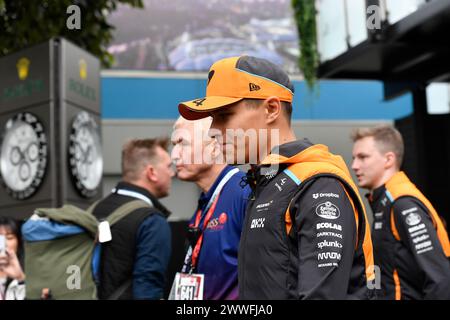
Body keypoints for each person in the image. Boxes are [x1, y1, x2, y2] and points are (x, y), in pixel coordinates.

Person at [178, 55, 375, 299]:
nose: (212, 130)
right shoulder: (264, 182)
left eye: (224, 116)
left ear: (271, 109)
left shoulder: (317, 185)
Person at [351, 125, 450, 300]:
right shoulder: (384, 201)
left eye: (363, 157)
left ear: (389, 159)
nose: (354, 166)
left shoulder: (403, 204)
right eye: (354, 158)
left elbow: (440, 279)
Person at [171, 116, 251, 300]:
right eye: (173, 144)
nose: (174, 155)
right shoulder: (204, 205)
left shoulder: (245, 194)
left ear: (214, 147)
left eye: (182, 143)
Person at [92, 138, 173, 300]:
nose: (173, 173)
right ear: (152, 172)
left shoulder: (93, 210)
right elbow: (148, 289)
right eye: (168, 166)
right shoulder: (151, 221)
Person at [0, 217, 25, 300]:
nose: (4, 244)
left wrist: (20, 279)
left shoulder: (32, 270)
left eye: (9, 238)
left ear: (19, 242)